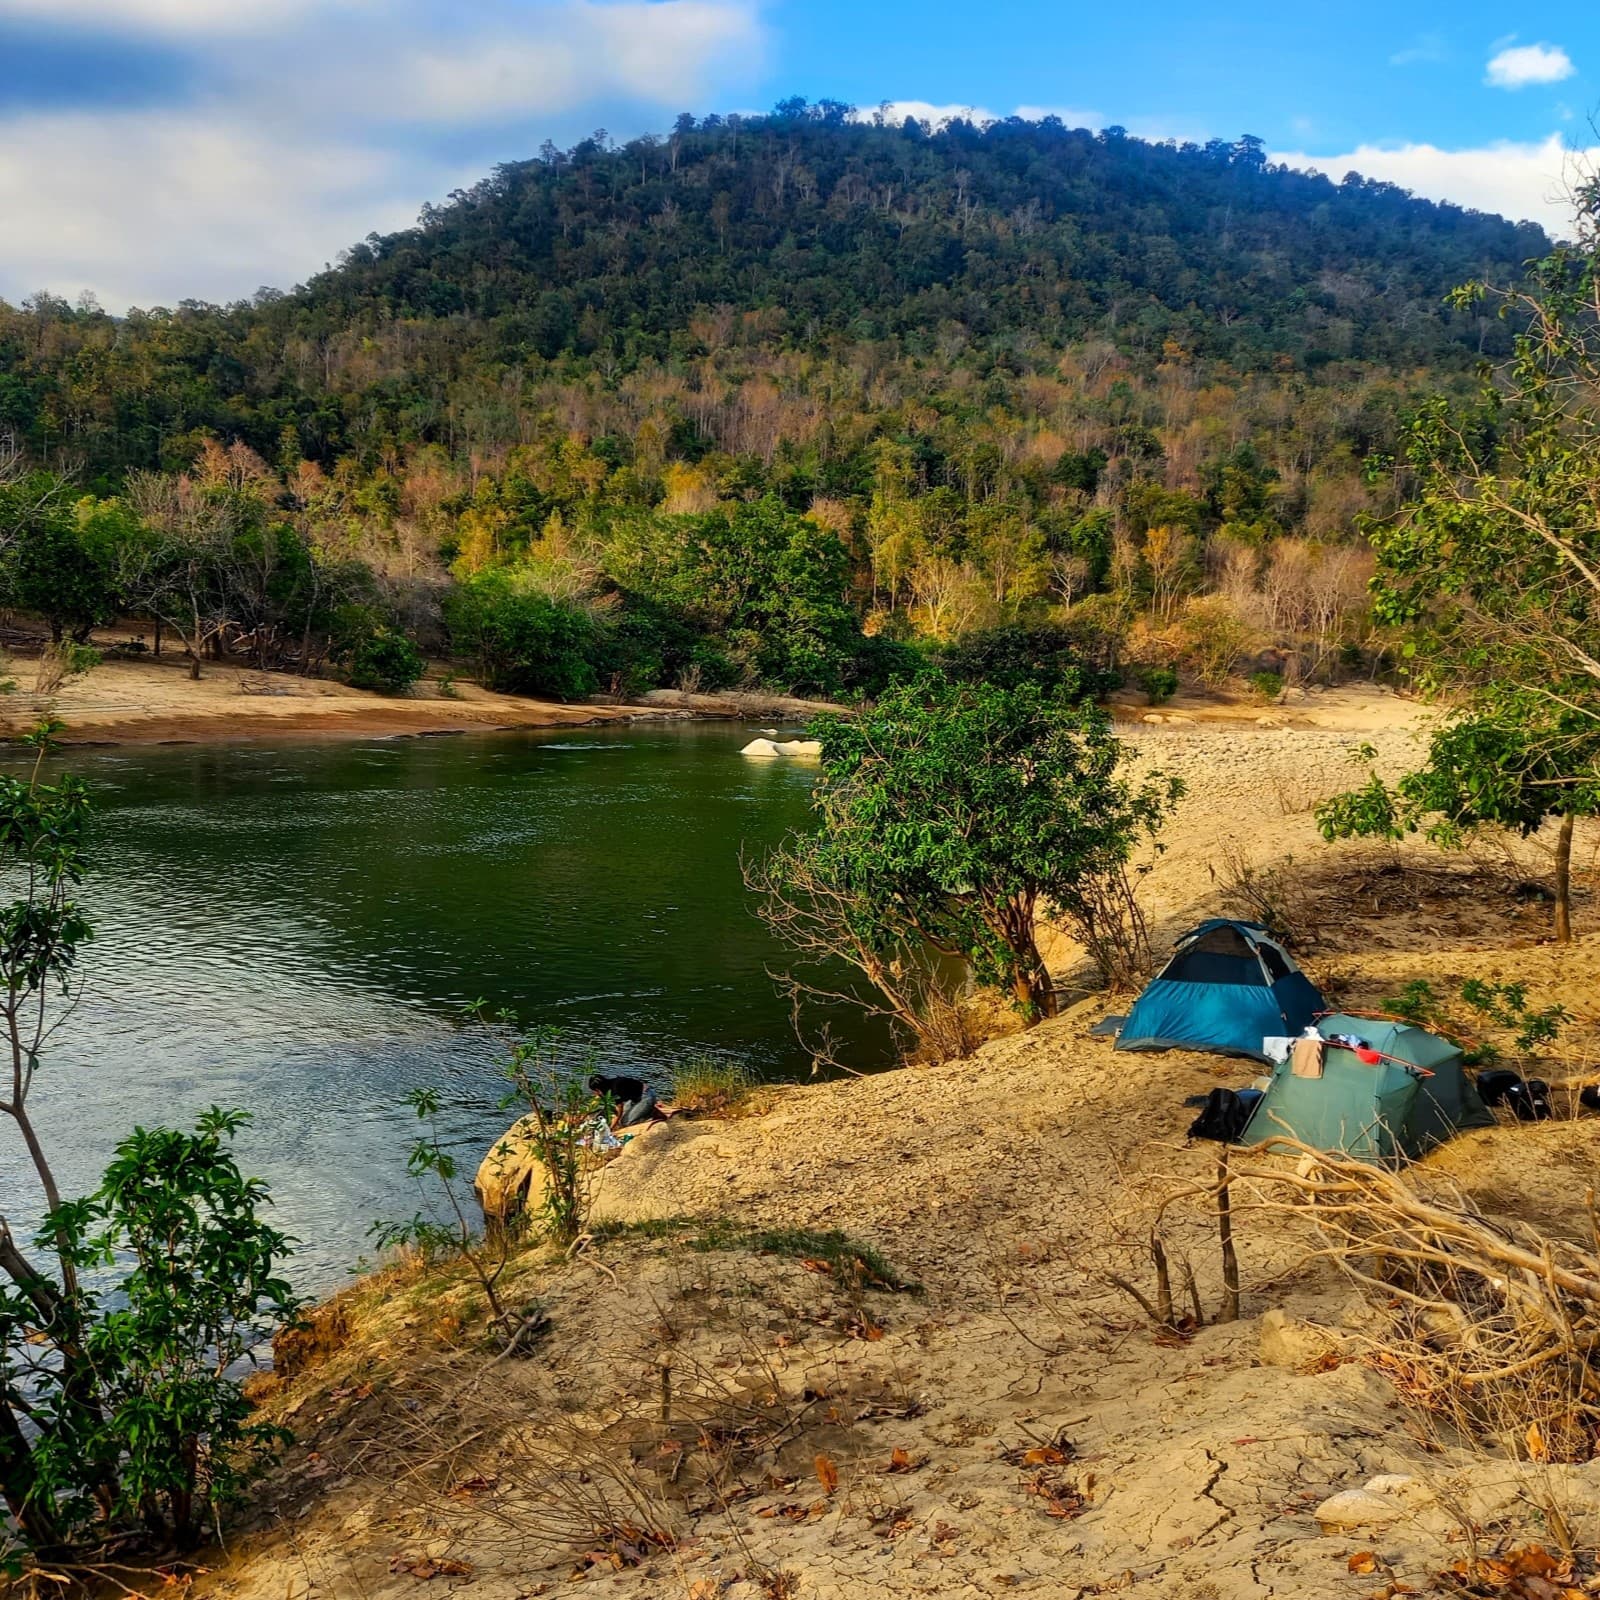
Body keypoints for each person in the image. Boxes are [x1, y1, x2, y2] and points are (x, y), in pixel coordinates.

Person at [588, 1072, 665, 1129]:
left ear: (598, 1089)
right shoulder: (607, 1085)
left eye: (594, 1091)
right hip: (635, 1098)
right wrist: (583, 1114)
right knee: (621, 1120)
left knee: (626, 1122)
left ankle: (651, 1112)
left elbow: (619, 1112)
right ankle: (646, 1109)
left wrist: (610, 1129)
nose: (594, 1093)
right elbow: (595, 1101)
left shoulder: (615, 1090)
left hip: (646, 1096)